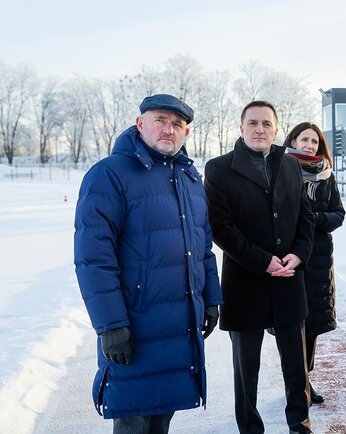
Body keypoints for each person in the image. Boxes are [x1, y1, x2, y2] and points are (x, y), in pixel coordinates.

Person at [74, 94, 223, 434]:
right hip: (135, 324)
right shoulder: (109, 175)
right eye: (160, 120)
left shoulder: (189, 178)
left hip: (178, 324)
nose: (168, 129)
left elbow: (203, 246)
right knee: (135, 417)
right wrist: (110, 324)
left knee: (162, 414)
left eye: (177, 124)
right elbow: (93, 259)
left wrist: (211, 298)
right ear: (140, 124)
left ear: (186, 133)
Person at [204, 101, 315, 434]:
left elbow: (305, 216)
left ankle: (300, 423)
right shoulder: (219, 169)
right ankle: (250, 427)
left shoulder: (291, 164)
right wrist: (262, 260)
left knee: (296, 366)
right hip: (245, 281)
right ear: (241, 128)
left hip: (288, 279)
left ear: (276, 129)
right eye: (252, 123)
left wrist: (299, 254)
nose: (259, 129)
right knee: (246, 370)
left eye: (267, 124)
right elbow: (221, 227)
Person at [283, 122, 346, 405]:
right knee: (291, 322)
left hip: (318, 259)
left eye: (315, 141)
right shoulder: (281, 169)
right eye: (304, 139)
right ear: (293, 141)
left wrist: (314, 219)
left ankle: (305, 379)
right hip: (290, 256)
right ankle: (297, 382)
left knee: (311, 324)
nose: (309, 145)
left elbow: (338, 214)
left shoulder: (326, 174)